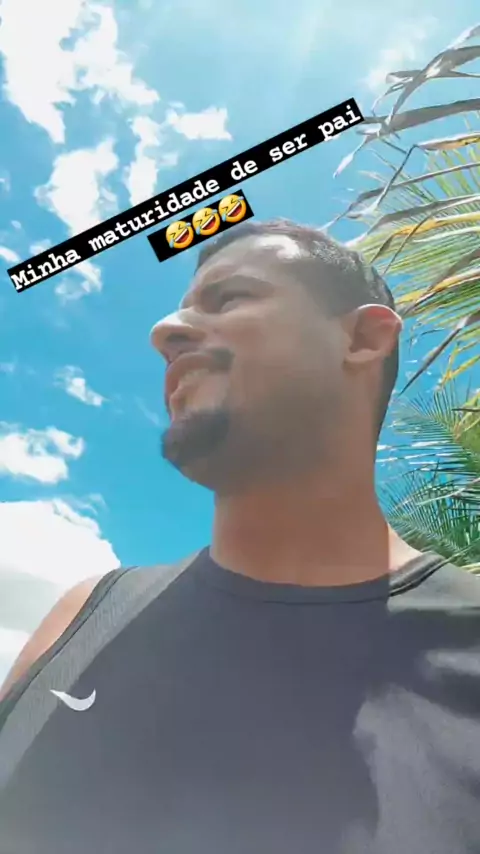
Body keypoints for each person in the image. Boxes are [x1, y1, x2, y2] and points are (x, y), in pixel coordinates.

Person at [0, 219, 479, 854]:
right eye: (181, 309)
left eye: (230, 298)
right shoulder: (85, 612)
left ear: (362, 339)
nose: (164, 332)